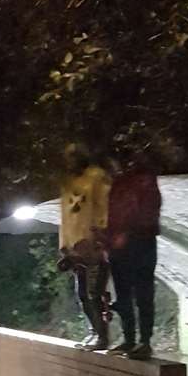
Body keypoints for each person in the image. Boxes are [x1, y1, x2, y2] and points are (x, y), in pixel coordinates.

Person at [107, 149, 161, 360]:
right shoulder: (119, 183)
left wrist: (126, 234)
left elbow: (148, 211)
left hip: (141, 243)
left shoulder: (144, 180)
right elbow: (112, 214)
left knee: (143, 293)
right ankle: (129, 339)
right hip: (120, 246)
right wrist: (108, 239)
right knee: (123, 294)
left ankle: (144, 341)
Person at [58, 143, 112, 350]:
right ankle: (94, 331)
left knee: (93, 293)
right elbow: (65, 216)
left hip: (92, 246)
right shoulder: (67, 183)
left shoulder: (96, 177)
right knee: (82, 294)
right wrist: (64, 244)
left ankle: (103, 336)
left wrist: (100, 235)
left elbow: (103, 207)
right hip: (75, 248)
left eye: (73, 157)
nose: (70, 162)